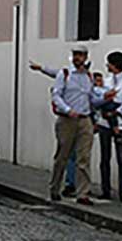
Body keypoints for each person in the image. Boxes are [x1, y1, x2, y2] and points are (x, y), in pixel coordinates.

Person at [45, 46, 99, 205]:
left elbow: (92, 98)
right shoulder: (65, 74)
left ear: (86, 57)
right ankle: (54, 187)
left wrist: (105, 99)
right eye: (75, 55)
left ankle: (82, 193)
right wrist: (68, 110)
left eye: (80, 55)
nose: (78, 58)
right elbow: (56, 95)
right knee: (63, 156)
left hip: (85, 119)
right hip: (67, 119)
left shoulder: (88, 76)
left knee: (84, 157)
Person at [97, 51, 122, 203]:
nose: (107, 66)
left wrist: (116, 112)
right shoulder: (106, 81)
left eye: (109, 63)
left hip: (119, 122)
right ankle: (105, 189)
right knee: (104, 157)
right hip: (104, 122)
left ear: (115, 65)